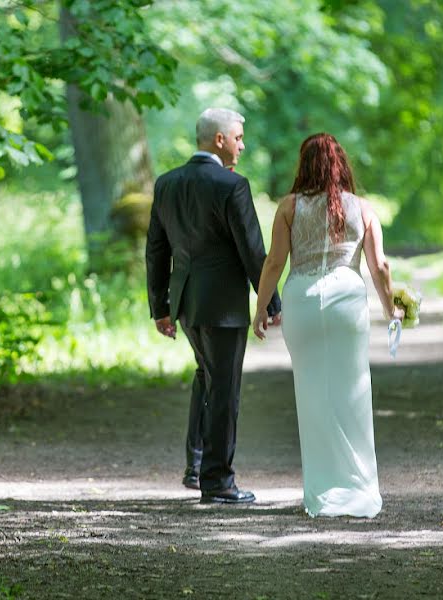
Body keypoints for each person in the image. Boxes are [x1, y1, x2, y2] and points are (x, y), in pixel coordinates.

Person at [252, 133, 404, 518]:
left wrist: (260, 308)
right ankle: (358, 489)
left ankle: (320, 492)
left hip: (302, 301)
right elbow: (379, 266)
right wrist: (391, 310)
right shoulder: (363, 209)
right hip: (346, 302)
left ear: (304, 165)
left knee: (312, 395)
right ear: (341, 165)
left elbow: (274, 263)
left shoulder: (289, 207)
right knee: (353, 392)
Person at [146, 108, 282, 504]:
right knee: (224, 388)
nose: (243, 145)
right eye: (238, 137)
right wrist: (271, 300)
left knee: (206, 377)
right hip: (223, 305)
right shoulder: (232, 185)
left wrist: (160, 306)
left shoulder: (166, 183)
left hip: (186, 302)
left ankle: (197, 465)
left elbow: (155, 250)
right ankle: (219, 482)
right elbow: (253, 251)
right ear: (218, 139)